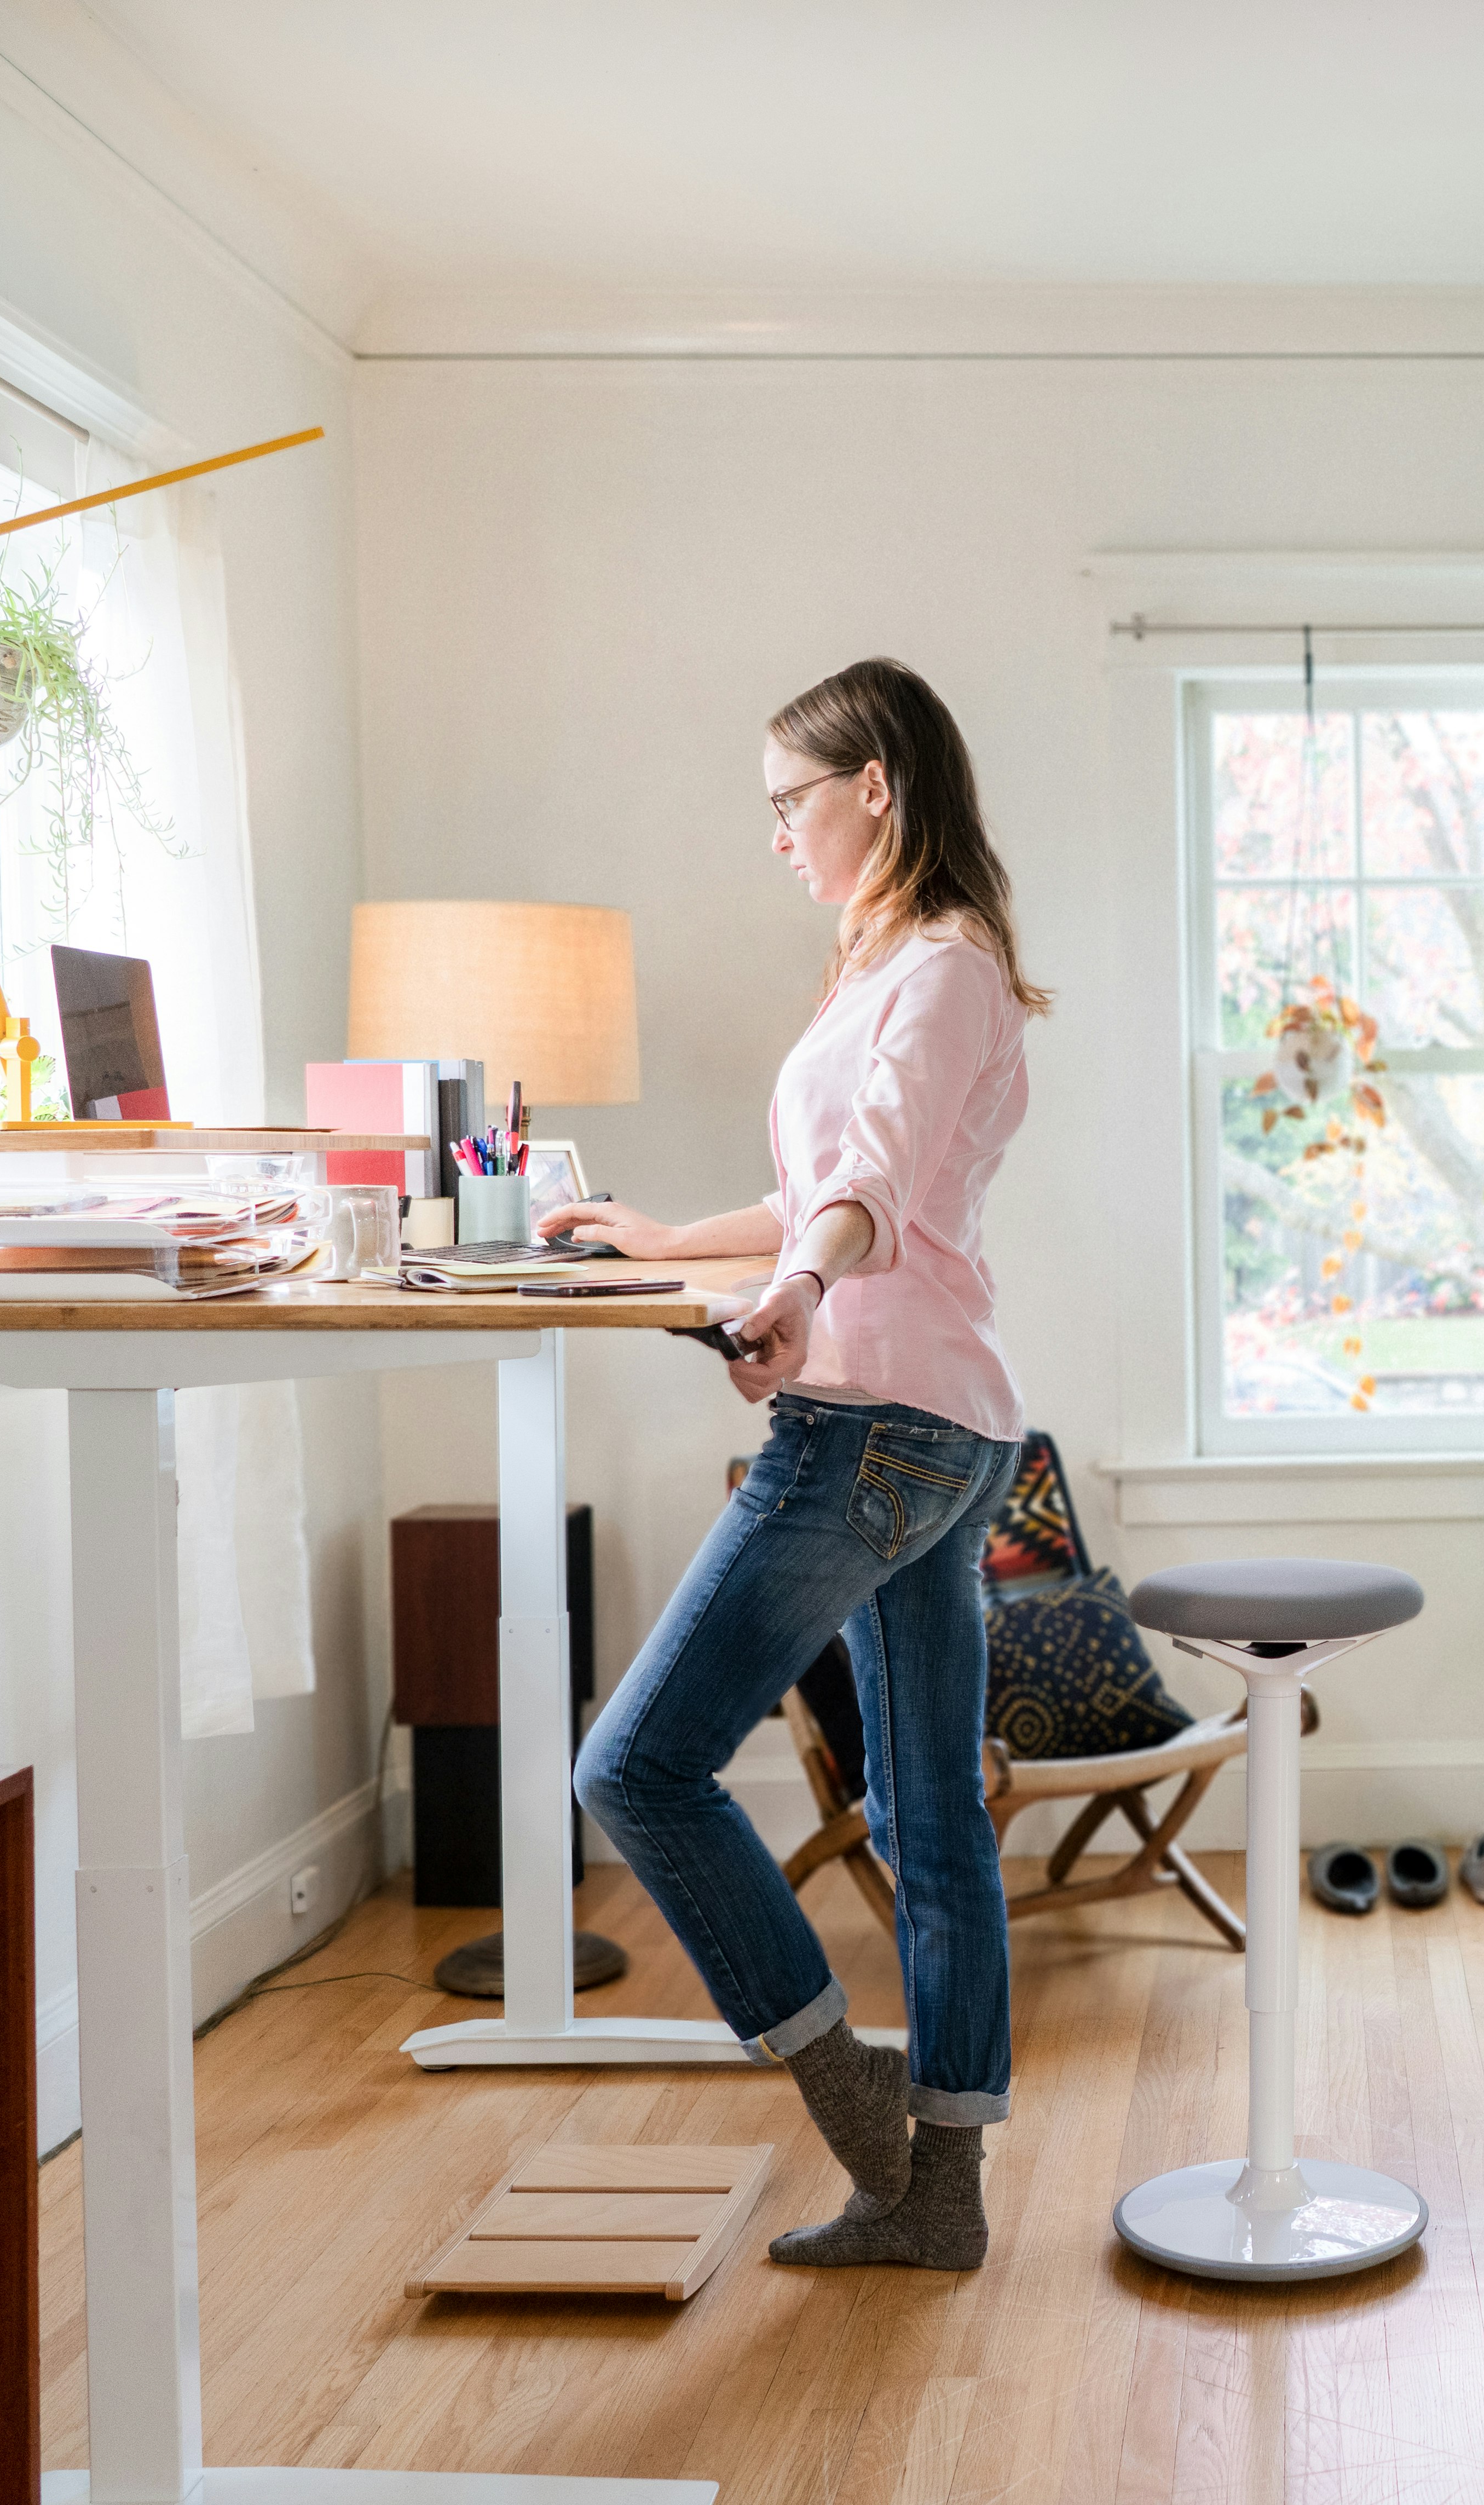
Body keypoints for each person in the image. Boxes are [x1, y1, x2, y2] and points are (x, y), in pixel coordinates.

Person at [542, 657, 1049, 2271]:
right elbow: (830, 1183)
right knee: (928, 1817)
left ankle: (860, 2117)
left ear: (874, 788)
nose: (777, 837)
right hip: (945, 1427)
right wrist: (668, 1237)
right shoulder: (892, 962)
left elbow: (873, 1187)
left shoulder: (943, 969)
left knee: (632, 1767)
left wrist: (802, 1291)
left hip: (883, 1425)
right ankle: (941, 2202)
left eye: (790, 802)